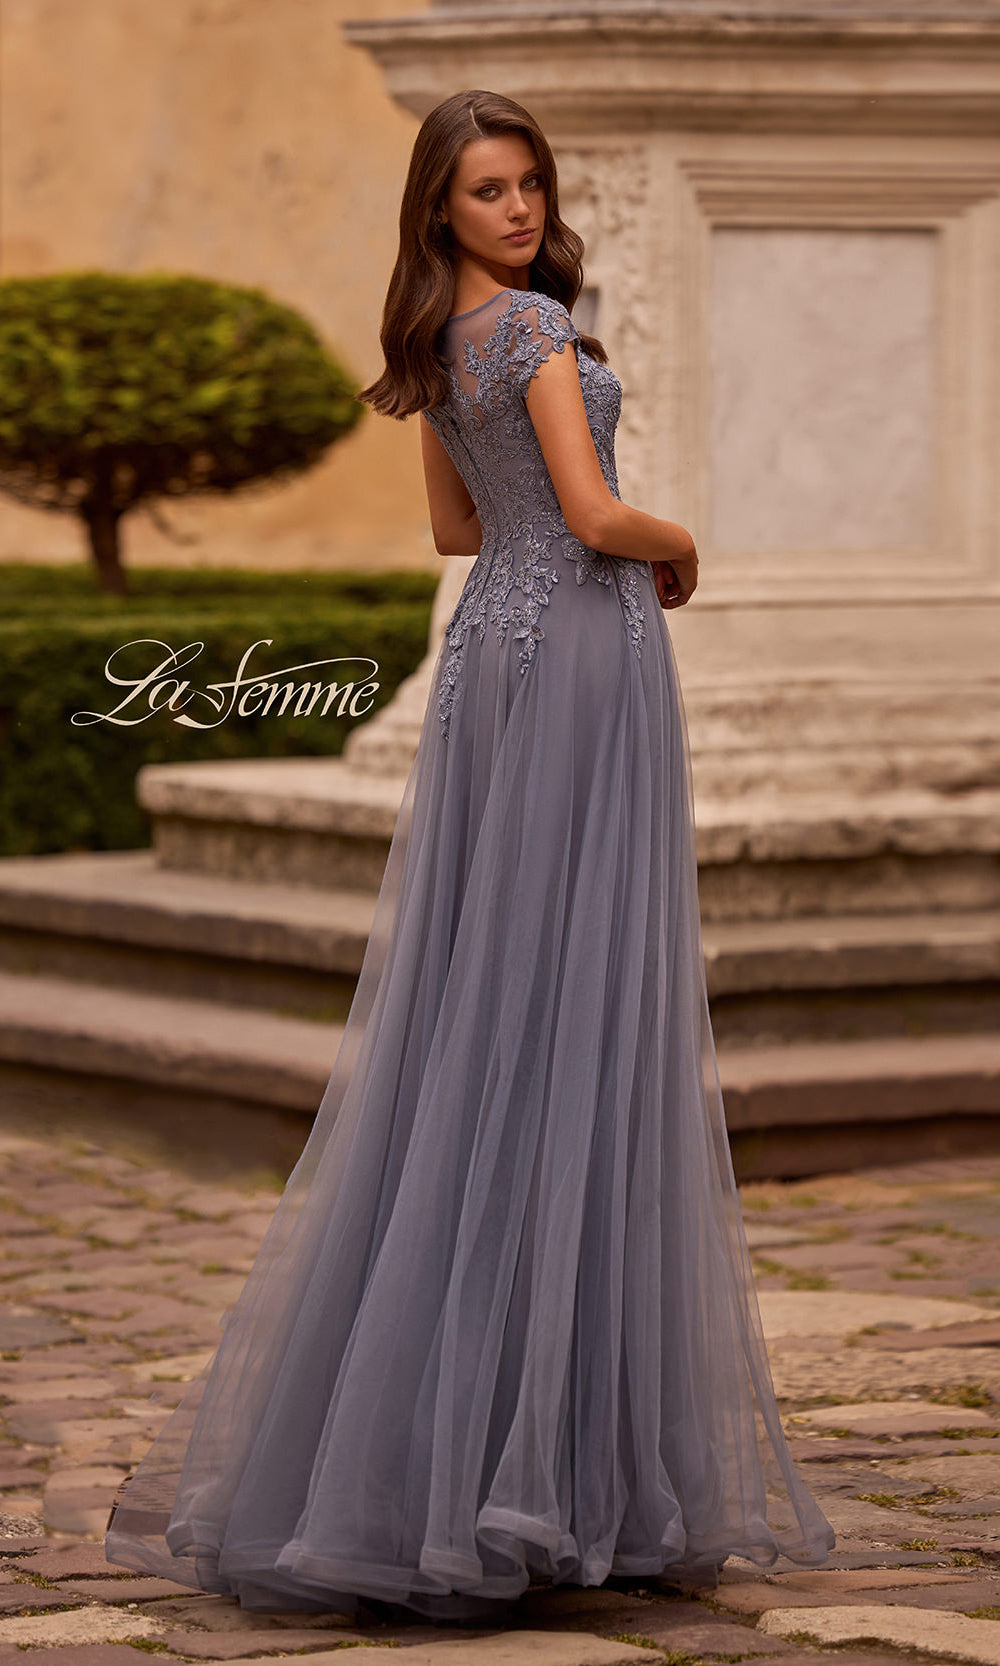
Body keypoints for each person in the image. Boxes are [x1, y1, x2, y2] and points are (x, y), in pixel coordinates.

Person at [104, 87, 835, 1624]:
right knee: (572, 1015)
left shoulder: (441, 342)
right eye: (485, 189)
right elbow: (589, 513)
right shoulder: (536, 332)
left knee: (486, 1016)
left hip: (490, 667)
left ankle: (443, 1447)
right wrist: (682, 542)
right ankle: (553, 1467)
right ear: (439, 206)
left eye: (527, 185)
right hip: (578, 655)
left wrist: (578, 531)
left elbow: (458, 535)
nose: (513, 207)